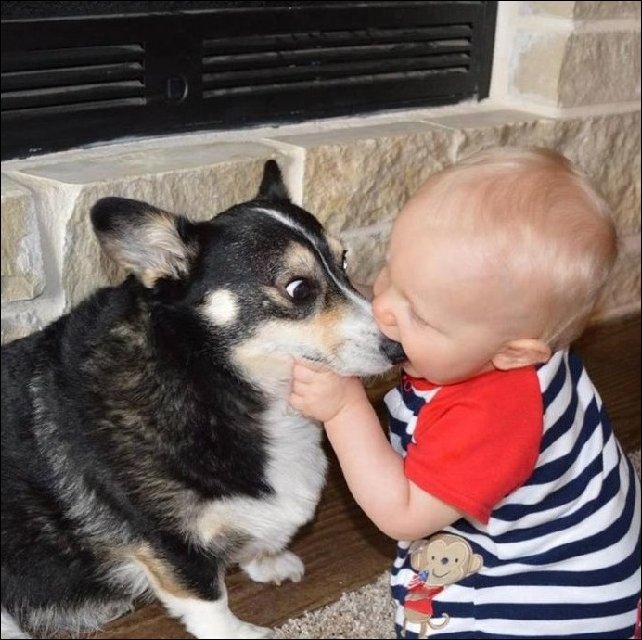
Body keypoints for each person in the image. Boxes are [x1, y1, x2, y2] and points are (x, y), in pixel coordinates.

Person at [289, 147, 641, 639]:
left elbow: (403, 513)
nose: (383, 307)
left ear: (514, 353)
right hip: (590, 544)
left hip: (544, 607)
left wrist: (345, 410)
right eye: (392, 271)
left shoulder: (492, 415)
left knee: (436, 612)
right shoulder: (515, 329)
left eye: (418, 314)